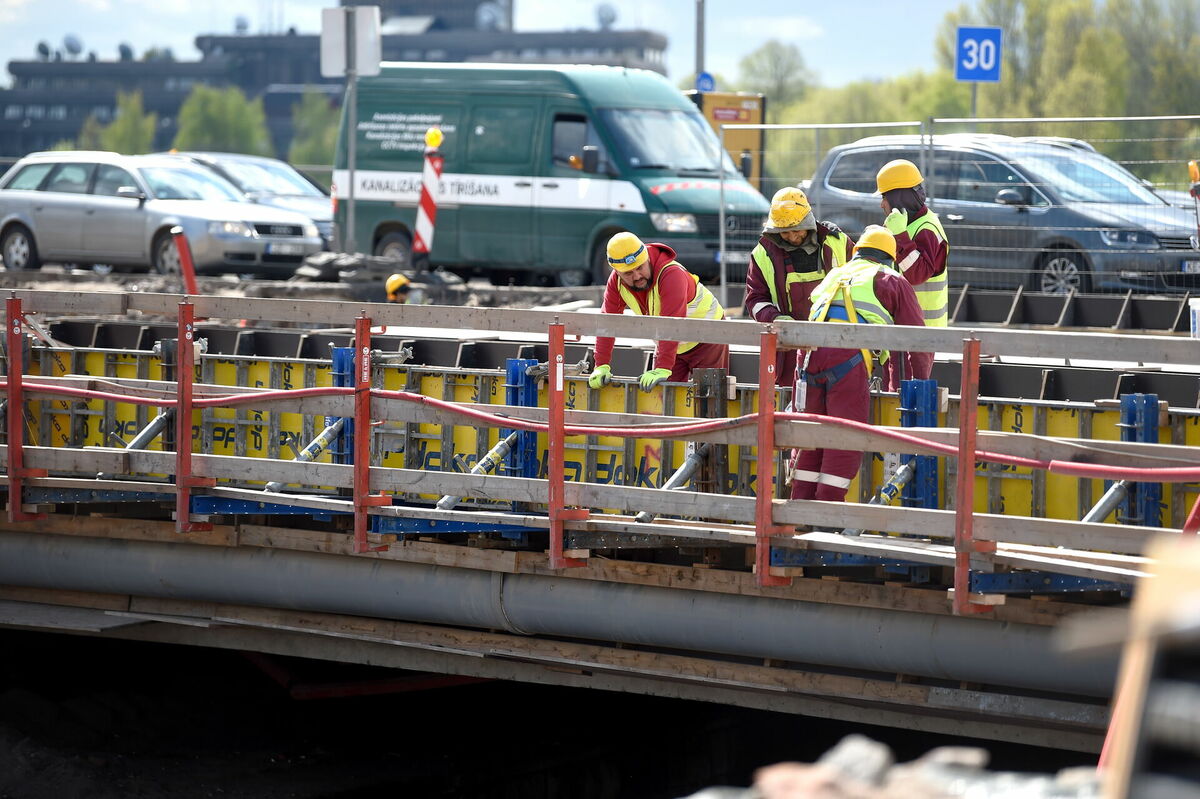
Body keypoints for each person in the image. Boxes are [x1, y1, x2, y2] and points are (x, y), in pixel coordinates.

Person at [790, 226, 932, 502]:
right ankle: (827, 516)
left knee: (809, 438)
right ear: (889, 258)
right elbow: (916, 343)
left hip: (806, 358)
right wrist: (914, 388)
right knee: (844, 438)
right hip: (845, 358)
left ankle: (798, 510)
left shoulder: (835, 274)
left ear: (858, 254)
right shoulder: (890, 279)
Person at [588, 232, 729, 393]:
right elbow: (608, 322)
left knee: (708, 399)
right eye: (628, 273)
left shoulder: (671, 274)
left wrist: (663, 366)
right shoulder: (616, 282)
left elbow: (671, 323)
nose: (637, 276)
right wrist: (601, 365)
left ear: (647, 258)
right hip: (671, 344)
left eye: (640, 267)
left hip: (707, 339)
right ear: (616, 272)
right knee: (663, 399)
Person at [743, 186, 854, 386]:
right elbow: (755, 299)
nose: (792, 237)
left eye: (797, 230)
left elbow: (859, 282)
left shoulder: (837, 242)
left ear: (808, 222)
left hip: (836, 343)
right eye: (784, 232)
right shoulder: (762, 254)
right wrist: (777, 320)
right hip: (788, 348)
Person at [876, 159, 949, 327]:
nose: (881, 204)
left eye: (884, 196)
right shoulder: (905, 223)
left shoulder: (926, 229)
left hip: (922, 332)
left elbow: (917, 275)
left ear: (898, 197)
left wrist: (900, 235)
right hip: (907, 327)